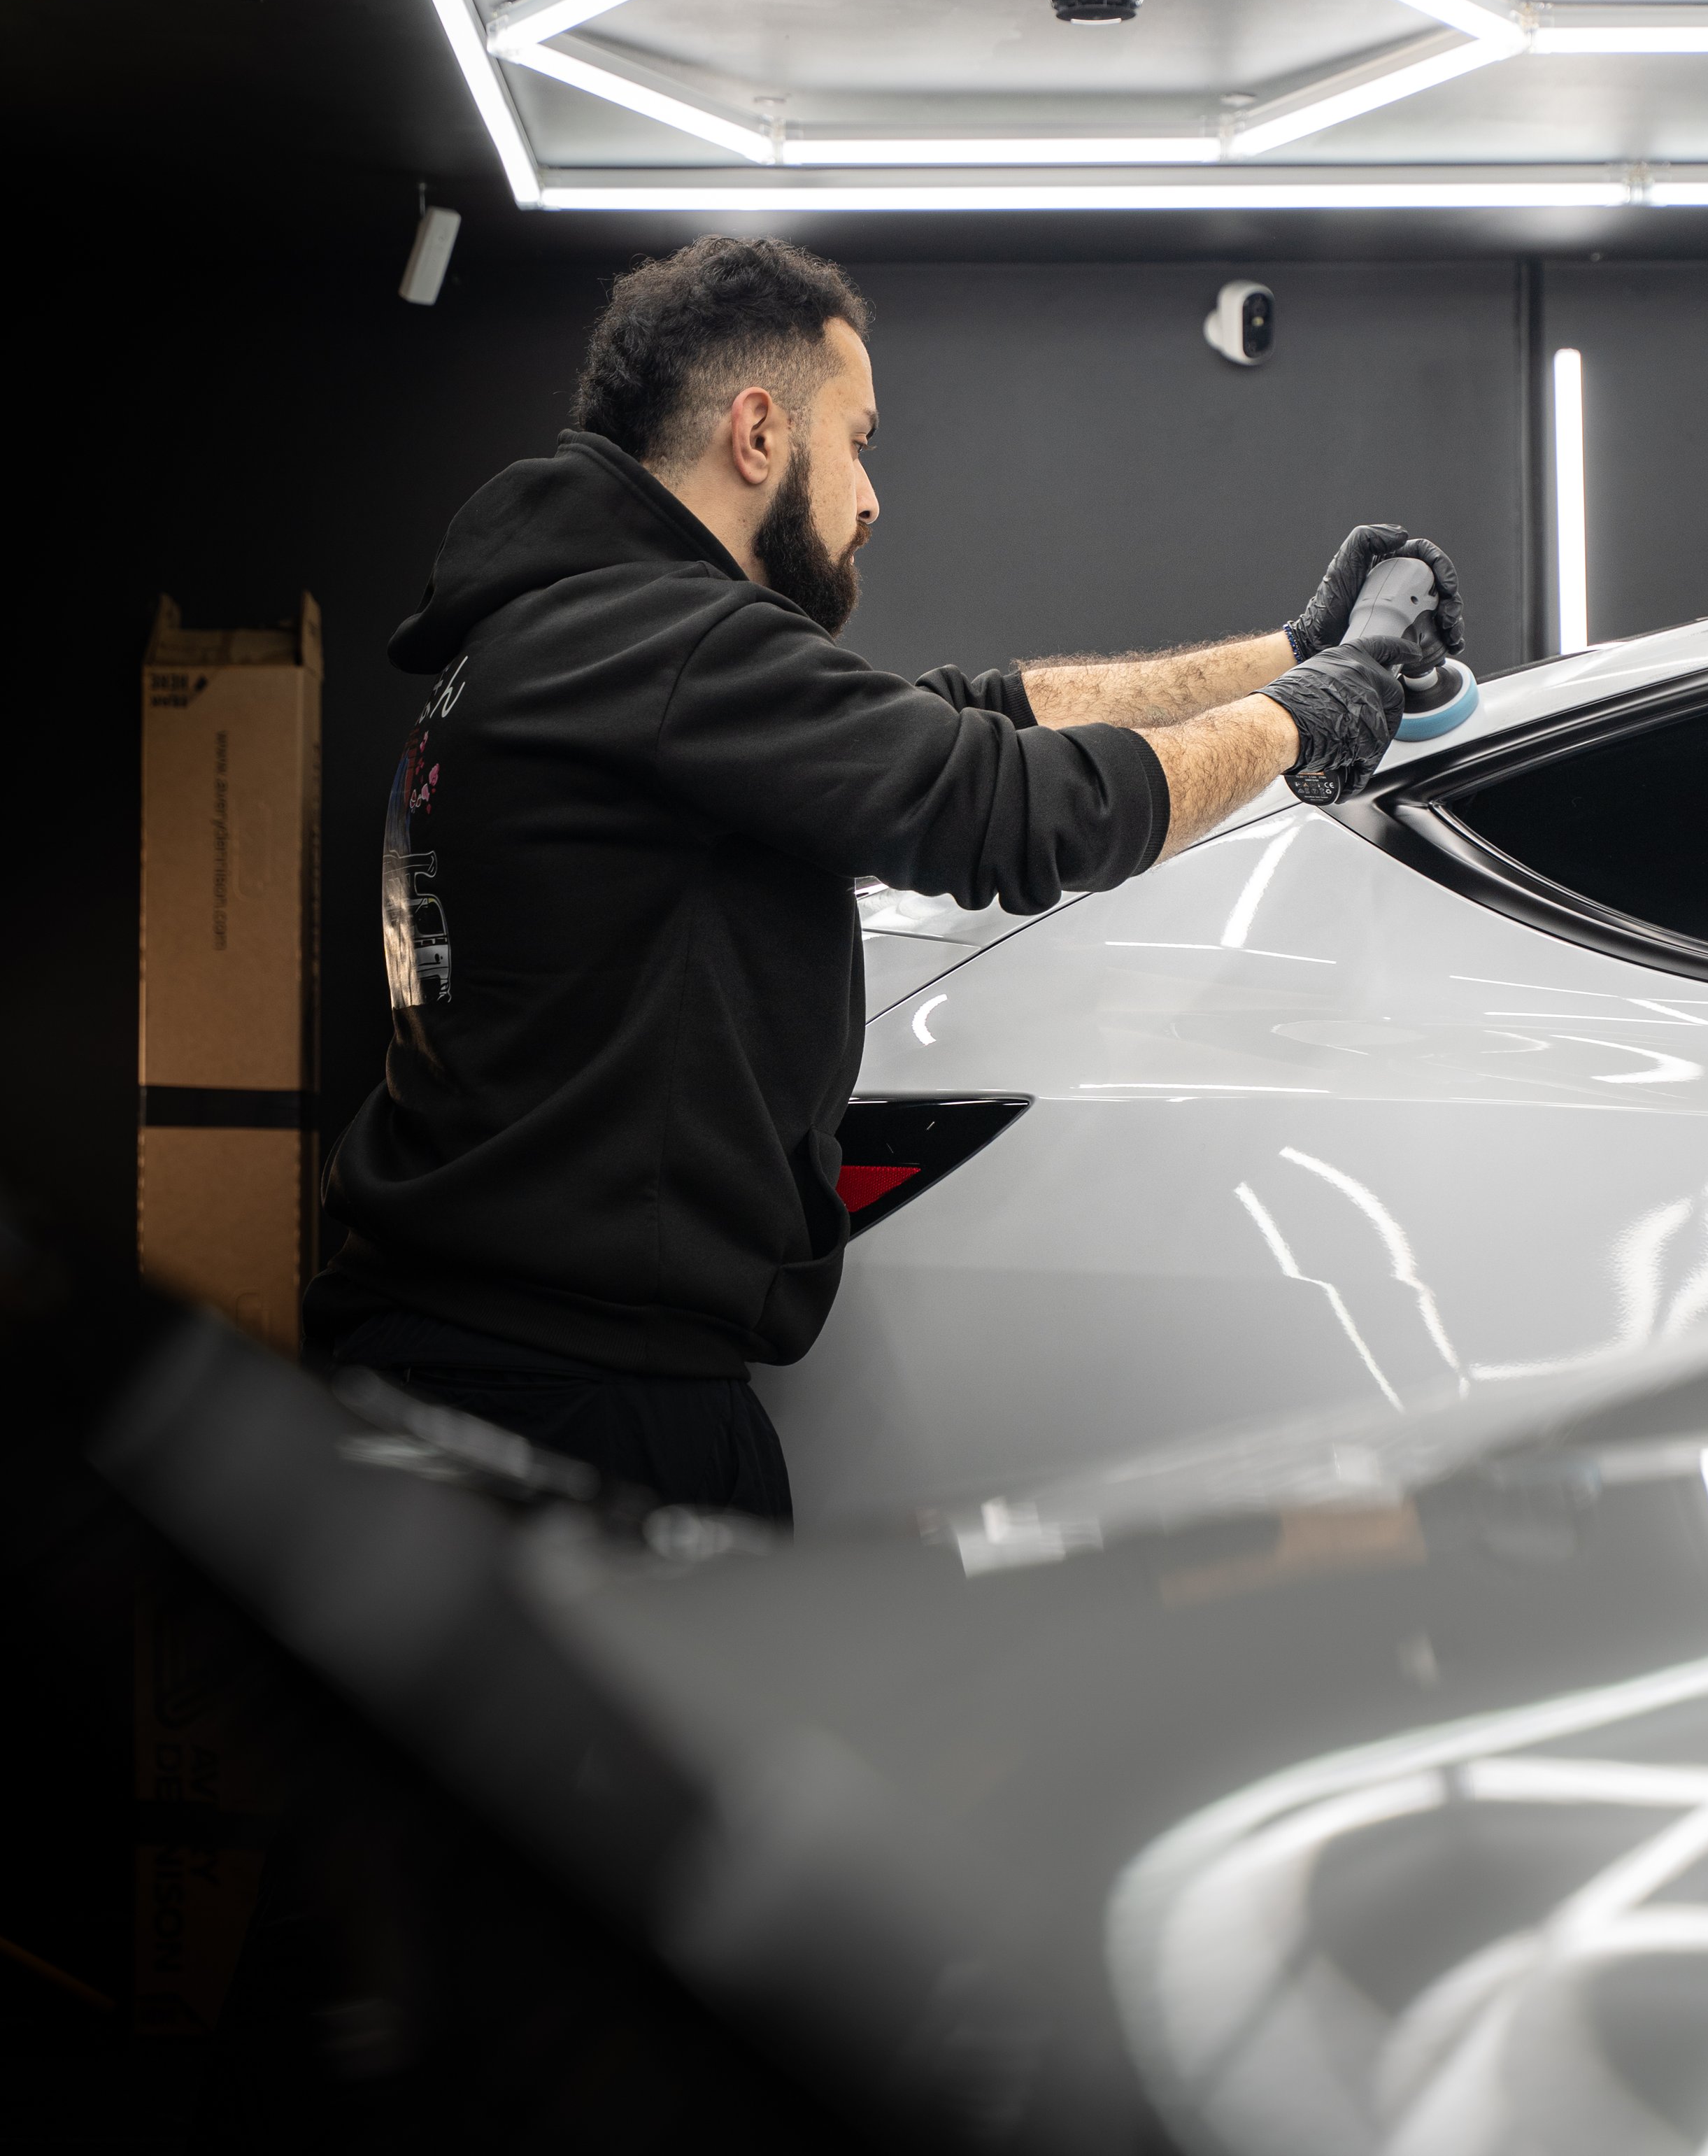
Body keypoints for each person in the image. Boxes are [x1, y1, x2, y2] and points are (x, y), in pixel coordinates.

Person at [307, 238, 1463, 1521]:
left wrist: (1288, 654)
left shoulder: (565, 637)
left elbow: (972, 716)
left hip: (486, 1375)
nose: (869, 497)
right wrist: (1307, 719)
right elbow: (1016, 811)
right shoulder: (655, 641)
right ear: (758, 433)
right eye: (855, 439)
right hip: (564, 1414)